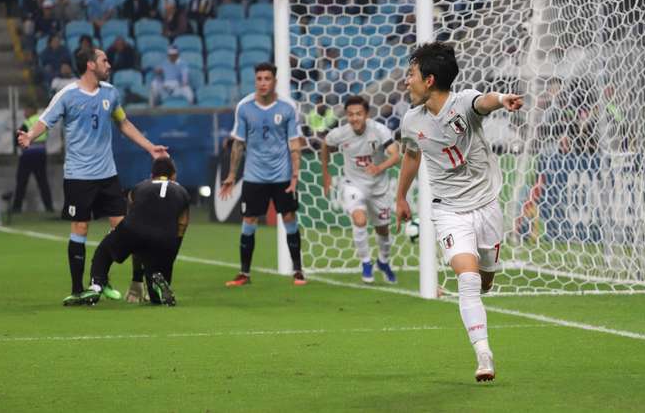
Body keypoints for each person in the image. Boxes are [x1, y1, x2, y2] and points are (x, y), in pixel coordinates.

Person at [394, 42, 523, 382]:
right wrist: (401, 197)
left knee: (485, 279)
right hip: (449, 210)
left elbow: (485, 101)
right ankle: (484, 354)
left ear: (430, 80)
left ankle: (486, 278)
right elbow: (410, 155)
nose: (407, 81)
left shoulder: (463, 103)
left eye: (412, 75)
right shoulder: (411, 120)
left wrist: (502, 98)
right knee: (467, 279)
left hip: (486, 206)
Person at [17, 48, 168, 306]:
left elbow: (124, 123)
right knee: (81, 228)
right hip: (78, 175)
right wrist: (30, 136)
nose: (108, 64)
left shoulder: (110, 92)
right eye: (104, 60)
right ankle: (78, 290)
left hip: (107, 174)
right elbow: (46, 120)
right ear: (90, 65)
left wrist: (149, 147)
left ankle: (110, 279)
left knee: (125, 229)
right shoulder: (67, 95)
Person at [219, 63, 306, 286]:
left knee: (289, 218)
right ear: (255, 80)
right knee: (249, 220)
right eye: (259, 78)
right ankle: (244, 274)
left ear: (275, 81)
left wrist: (295, 175)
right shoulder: (244, 107)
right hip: (254, 175)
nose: (263, 83)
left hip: (282, 174)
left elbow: (294, 143)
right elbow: (239, 144)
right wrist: (231, 175)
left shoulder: (287, 107)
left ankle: (298, 270)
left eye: (267, 78)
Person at [86, 157, 190, 306]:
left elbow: (133, 221)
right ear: (174, 175)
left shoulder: (139, 187)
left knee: (104, 251)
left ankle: (96, 285)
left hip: (134, 230)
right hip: (166, 239)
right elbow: (182, 225)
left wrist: (136, 278)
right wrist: (170, 256)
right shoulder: (183, 192)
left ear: (151, 175)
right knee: (156, 289)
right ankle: (156, 282)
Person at [321, 96, 400, 283]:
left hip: (378, 187)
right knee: (359, 219)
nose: (354, 118)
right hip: (353, 184)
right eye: (350, 115)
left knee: (383, 230)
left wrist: (379, 168)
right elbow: (325, 144)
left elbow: (396, 155)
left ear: (367, 114)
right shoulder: (341, 133)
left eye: (358, 114)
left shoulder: (380, 130)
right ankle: (366, 262)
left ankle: (383, 261)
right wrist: (326, 173)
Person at [12, 105, 54, 213]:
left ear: (31, 110)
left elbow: (17, 140)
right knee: (43, 182)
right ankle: (49, 207)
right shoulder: (42, 121)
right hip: (41, 155)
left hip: (28, 155)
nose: (24, 112)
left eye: (26, 109)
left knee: (21, 181)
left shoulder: (27, 123)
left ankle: (17, 208)